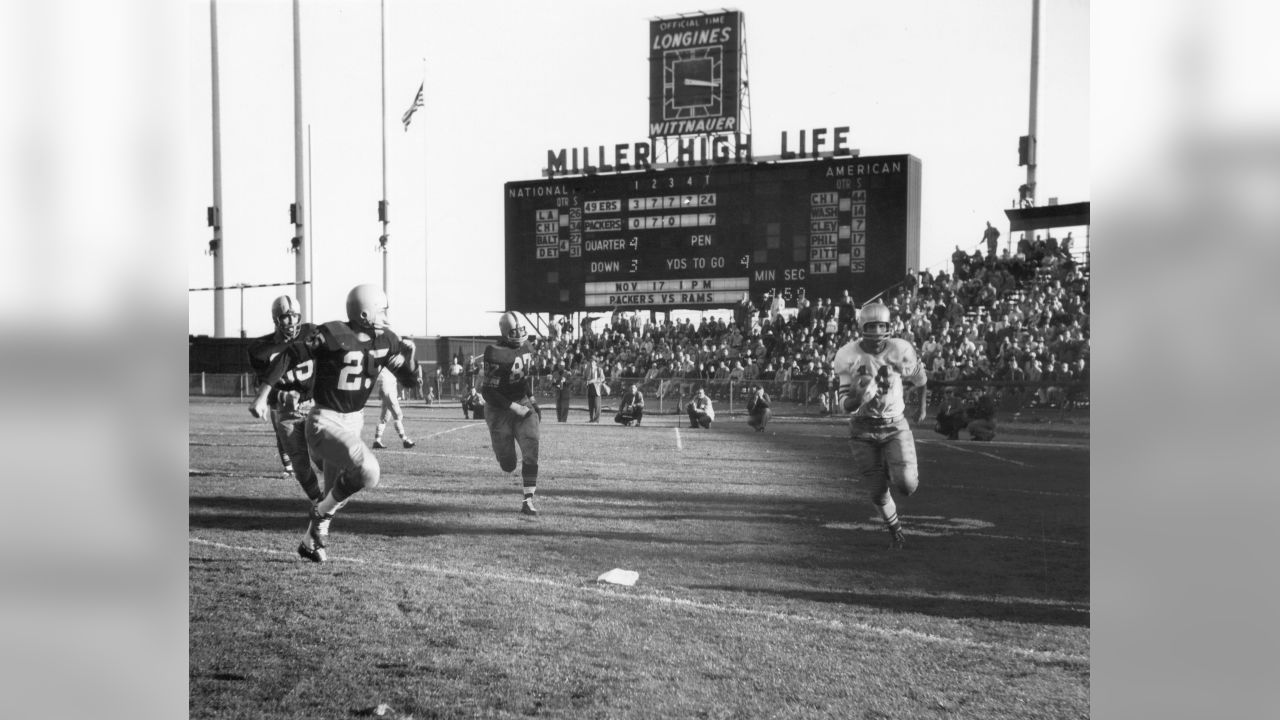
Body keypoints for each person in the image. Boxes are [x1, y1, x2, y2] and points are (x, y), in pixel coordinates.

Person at [250, 284, 419, 563]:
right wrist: (263, 396)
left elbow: (410, 380)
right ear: (365, 314)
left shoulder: (385, 340)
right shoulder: (333, 334)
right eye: (381, 309)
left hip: (354, 422)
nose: (386, 314)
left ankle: (310, 542)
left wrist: (411, 356)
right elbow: (290, 355)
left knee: (335, 494)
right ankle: (319, 514)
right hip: (324, 421)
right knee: (369, 472)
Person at [832, 301, 928, 550]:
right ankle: (896, 532)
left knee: (907, 486)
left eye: (881, 328)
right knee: (877, 491)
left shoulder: (900, 349)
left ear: (889, 328)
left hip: (895, 424)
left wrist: (923, 406)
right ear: (862, 327)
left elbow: (921, 378)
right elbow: (844, 404)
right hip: (862, 428)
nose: (876, 336)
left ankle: (891, 468)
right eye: (871, 328)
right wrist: (858, 398)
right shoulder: (847, 354)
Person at [245, 295, 322, 502]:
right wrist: (281, 395)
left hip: (313, 405)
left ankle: (335, 496)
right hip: (285, 410)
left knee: (323, 456)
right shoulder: (260, 349)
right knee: (299, 463)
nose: (291, 321)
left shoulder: (311, 332)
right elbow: (262, 384)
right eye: (286, 317)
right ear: (276, 319)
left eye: (295, 316)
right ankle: (318, 502)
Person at [480, 312, 543, 517]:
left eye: (521, 329)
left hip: (521, 401)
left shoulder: (526, 346)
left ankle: (528, 500)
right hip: (499, 409)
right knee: (508, 464)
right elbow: (488, 392)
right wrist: (514, 408)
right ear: (506, 333)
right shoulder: (494, 352)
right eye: (515, 330)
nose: (521, 333)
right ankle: (504, 456)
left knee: (531, 446)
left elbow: (523, 378)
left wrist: (531, 400)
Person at [372, 367, 416, 449]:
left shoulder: (386, 363)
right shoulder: (389, 360)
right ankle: (405, 440)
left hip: (387, 387)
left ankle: (377, 441)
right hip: (387, 388)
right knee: (398, 415)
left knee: (384, 417)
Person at [584, 357, 605, 423]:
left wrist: (594, 380)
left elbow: (602, 378)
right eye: (590, 361)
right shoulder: (587, 369)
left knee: (597, 405)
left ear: (596, 362)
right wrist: (586, 382)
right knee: (590, 406)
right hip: (590, 389)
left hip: (597, 389)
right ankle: (591, 419)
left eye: (593, 362)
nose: (591, 363)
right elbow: (584, 378)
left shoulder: (599, 369)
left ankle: (596, 420)